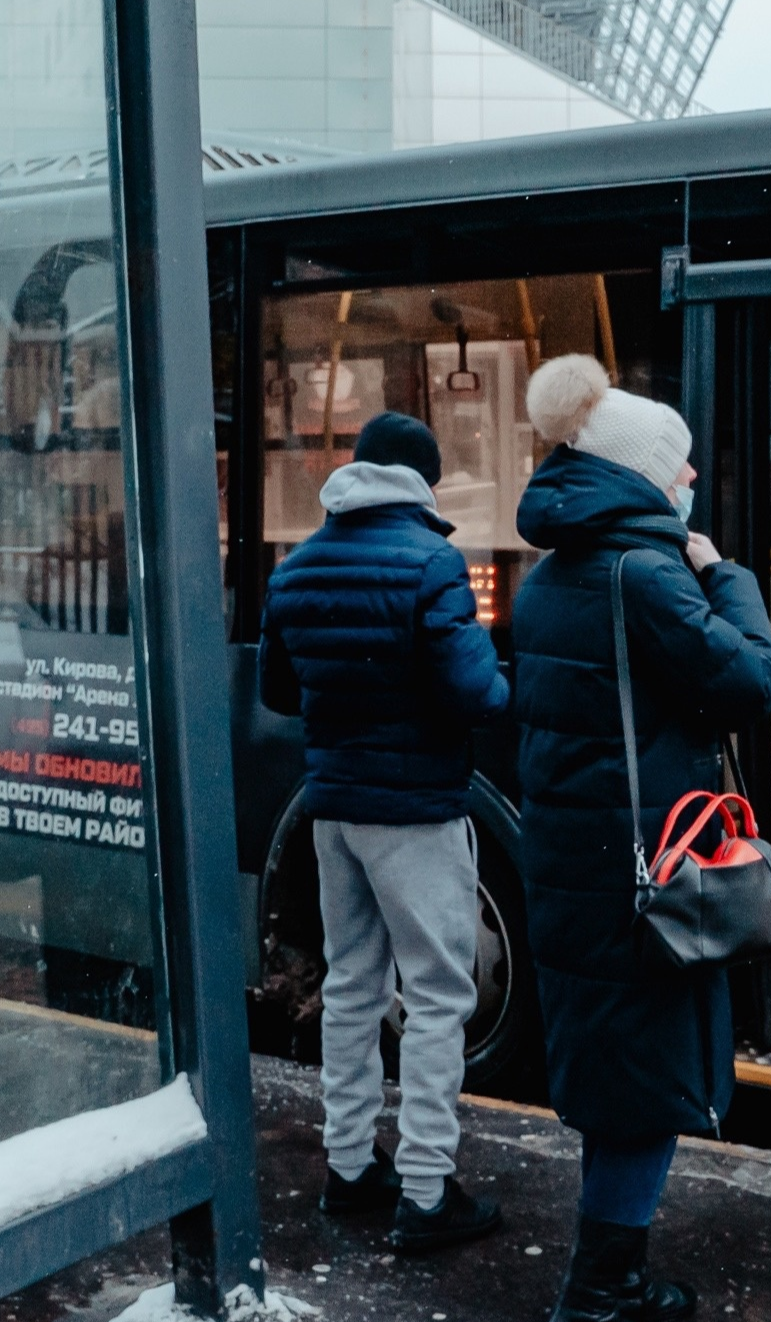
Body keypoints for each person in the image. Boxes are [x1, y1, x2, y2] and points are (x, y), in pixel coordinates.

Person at [511, 354, 771, 1322]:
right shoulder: (648, 576)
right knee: (648, 1083)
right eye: (678, 463)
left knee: (613, 1076)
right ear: (636, 475)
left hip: (574, 868)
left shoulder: (551, 574)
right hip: (643, 874)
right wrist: (728, 572)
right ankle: (597, 1290)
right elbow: (753, 683)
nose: (694, 478)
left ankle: (608, 1275)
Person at [258, 412, 511, 1253]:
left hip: (334, 811)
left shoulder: (296, 568)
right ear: (423, 481)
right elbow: (473, 689)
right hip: (416, 811)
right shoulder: (432, 561)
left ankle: (350, 1167)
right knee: (441, 996)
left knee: (352, 987)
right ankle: (430, 1192)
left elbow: (280, 693)